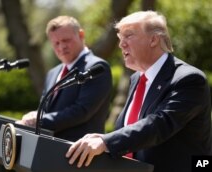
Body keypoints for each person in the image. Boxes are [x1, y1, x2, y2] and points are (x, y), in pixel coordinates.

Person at [65, 11, 212, 172]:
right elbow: (130, 128)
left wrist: (107, 142)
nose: (121, 44)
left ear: (153, 39)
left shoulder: (188, 79)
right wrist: (102, 140)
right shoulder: (136, 78)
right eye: (120, 38)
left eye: (128, 36)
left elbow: (159, 124)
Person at [16, 16, 112, 142]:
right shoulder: (53, 73)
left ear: (81, 35)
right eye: (56, 43)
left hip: (79, 152)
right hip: (46, 148)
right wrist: (34, 116)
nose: (61, 47)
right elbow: (46, 109)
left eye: (66, 40)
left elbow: (82, 111)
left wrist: (38, 121)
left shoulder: (96, 67)